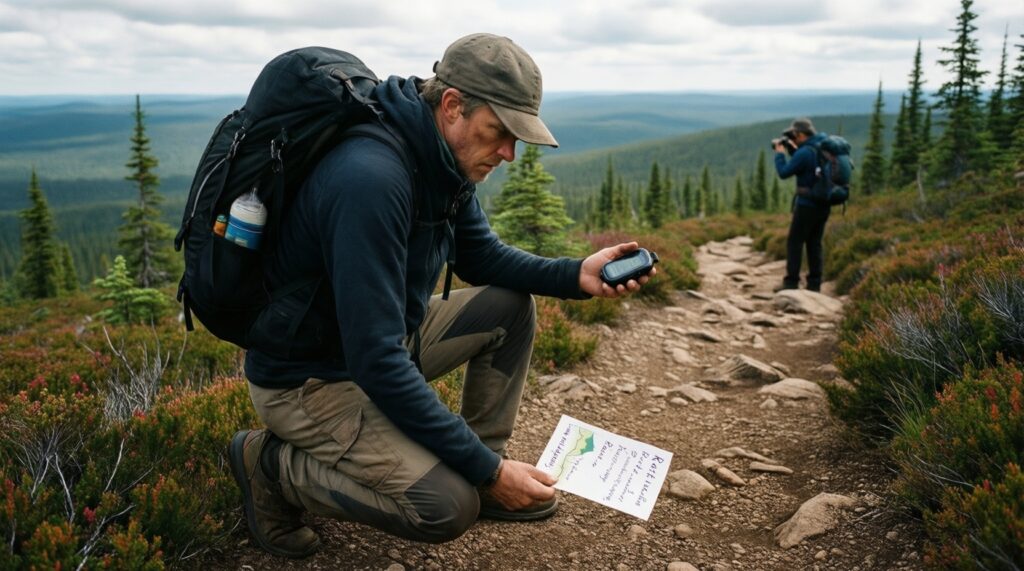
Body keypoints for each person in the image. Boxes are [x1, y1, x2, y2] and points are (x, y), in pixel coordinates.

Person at [227, 33, 656, 559]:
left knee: (508, 307)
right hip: (309, 381)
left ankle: (482, 470)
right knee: (445, 507)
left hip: (375, 348)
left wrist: (576, 275)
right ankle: (270, 466)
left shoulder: (440, 156)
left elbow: (481, 257)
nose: (509, 154)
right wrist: (489, 471)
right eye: (499, 132)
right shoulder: (370, 179)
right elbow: (376, 360)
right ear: (452, 105)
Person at [773, 117, 830, 292]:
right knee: (814, 243)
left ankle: (791, 282)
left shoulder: (804, 152)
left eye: (794, 135)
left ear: (800, 134)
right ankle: (814, 284)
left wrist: (780, 154)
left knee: (795, 242)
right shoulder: (822, 147)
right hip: (824, 203)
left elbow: (784, 173)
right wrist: (794, 150)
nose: (793, 138)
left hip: (807, 205)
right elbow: (808, 168)